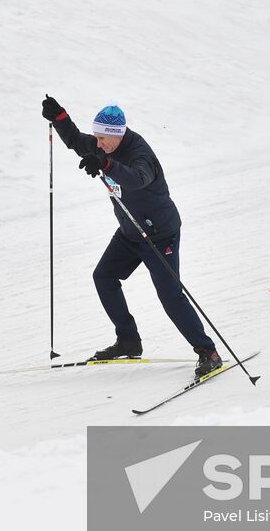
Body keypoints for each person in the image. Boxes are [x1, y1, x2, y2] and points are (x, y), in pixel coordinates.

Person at [40, 96, 222, 378]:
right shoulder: (104, 144)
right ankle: (128, 340)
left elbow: (138, 178)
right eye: (97, 138)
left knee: (170, 295)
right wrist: (60, 118)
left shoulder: (140, 153)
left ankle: (208, 352)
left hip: (159, 234)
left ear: (116, 135)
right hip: (130, 232)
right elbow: (77, 141)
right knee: (103, 276)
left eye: (102, 139)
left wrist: (106, 165)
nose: (97, 144)